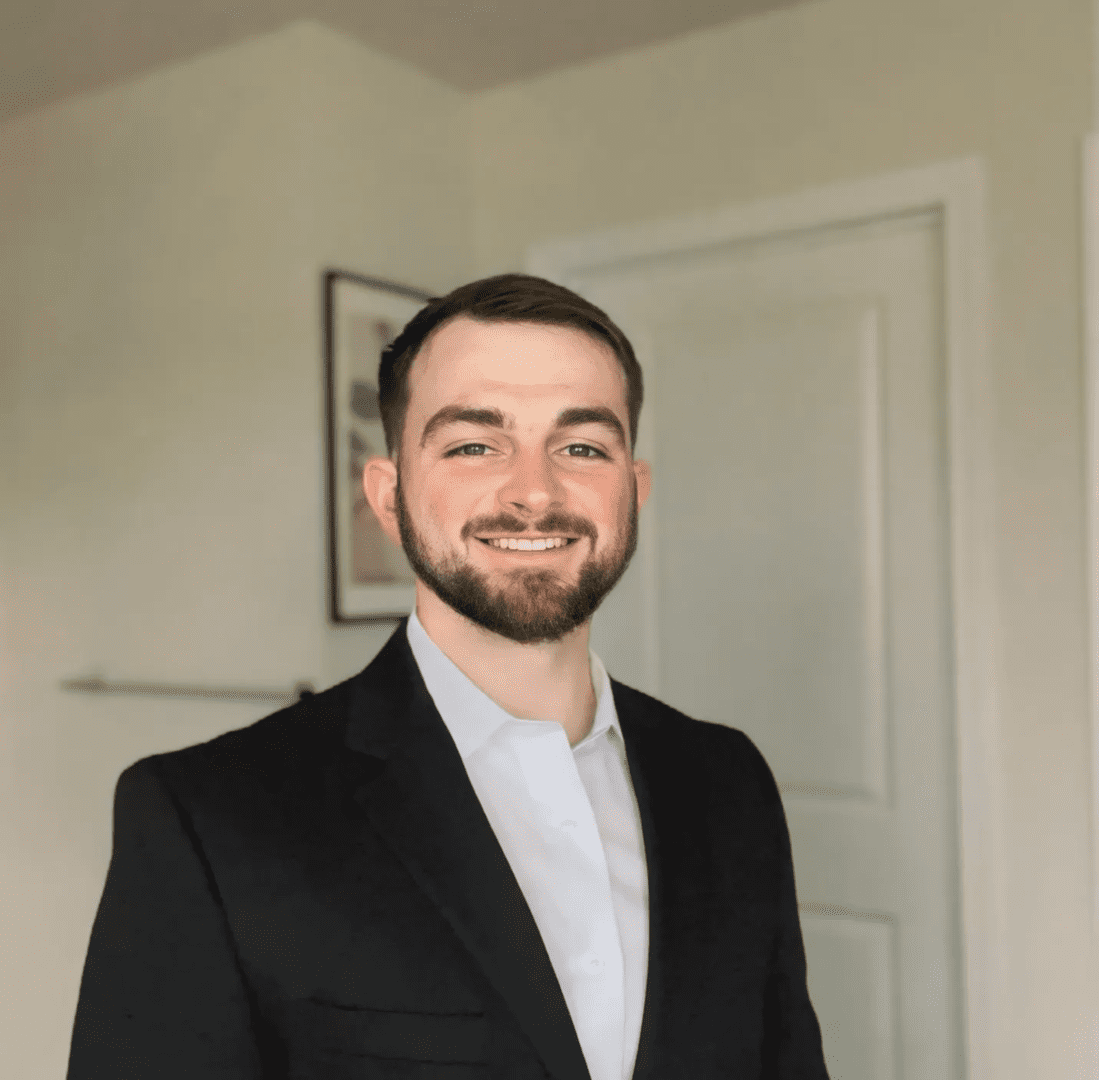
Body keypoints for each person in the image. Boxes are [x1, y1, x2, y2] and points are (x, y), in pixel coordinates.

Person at [67, 274, 829, 1080]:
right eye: (474, 445)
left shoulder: (726, 780)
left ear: (631, 494)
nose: (534, 491)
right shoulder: (206, 818)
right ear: (389, 498)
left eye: (581, 447)